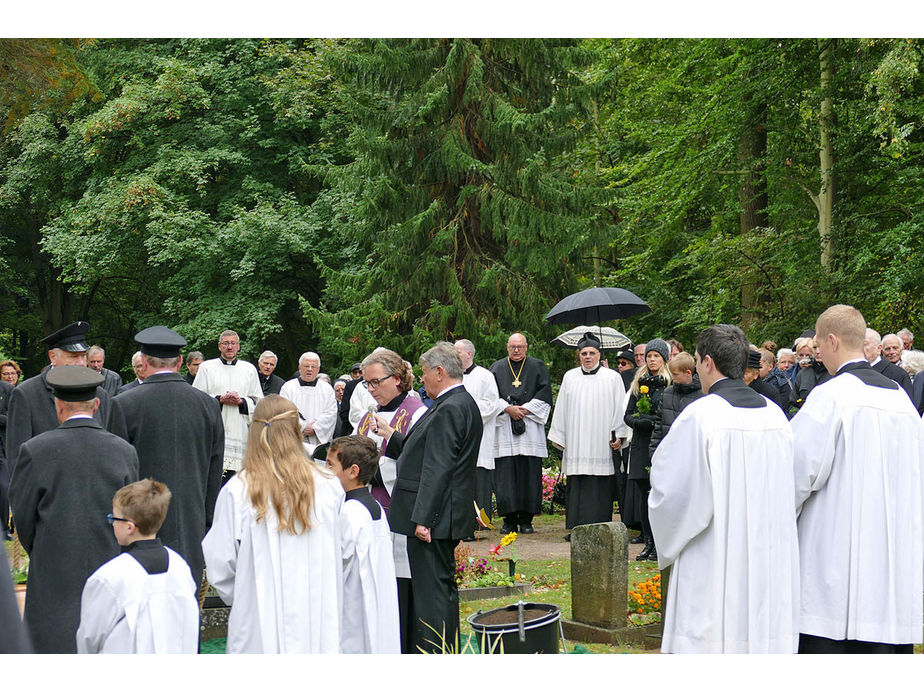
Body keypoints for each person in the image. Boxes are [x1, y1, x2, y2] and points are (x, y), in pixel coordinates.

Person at [648, 324, 799, 653]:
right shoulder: (775, 417)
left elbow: (670, 492)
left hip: (713, 558)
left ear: (706, 362)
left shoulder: (700, 417)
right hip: (768, 559)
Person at [792, 305, 923, 653]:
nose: (817, 354)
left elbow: (795, 474)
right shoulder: (903, 402)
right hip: (892, 563)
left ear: (832, 341)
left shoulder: (831, 397)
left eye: (818, 346)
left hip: (832, 564)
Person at [9, 366, 138, 653]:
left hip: (53, 565)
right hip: (110, 562)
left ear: (58, 406)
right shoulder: (124, 451)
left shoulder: (34, 450)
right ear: (97, 405)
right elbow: (131, 515)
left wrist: (42, 549)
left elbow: (23, 516)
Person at [202, 395, 344, 653]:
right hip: (317, 612)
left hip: (258, 616)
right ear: (295, 431)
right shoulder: (329, 485)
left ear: (254, 430)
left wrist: (250, 593)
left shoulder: (238, 489)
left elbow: (220, 563)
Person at [373, 342, 482, 653]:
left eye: (423, 373)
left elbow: (438, 467)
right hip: (441, 514)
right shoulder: (453, 403)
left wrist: (424, 518)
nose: (421, 380)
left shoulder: (451, 407)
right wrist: (392, 438)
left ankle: (435, 652)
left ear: (439, 372)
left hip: (435, 518)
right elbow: (422, 452)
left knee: (432, 592)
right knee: (435, 589)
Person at [109, 326, 225, 585]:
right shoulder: (207, 406)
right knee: (185, 607)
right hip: (191, 522)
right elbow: (214, 469)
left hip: (138, 527)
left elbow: (116, 472)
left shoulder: (124, 404)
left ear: (144, 362)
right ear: (181, 362)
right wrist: (206, 520)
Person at [354, 348, 426, 652]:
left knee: (400, 584)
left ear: (397, 379)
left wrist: (389, 447)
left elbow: (422, 462)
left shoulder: (416, 411)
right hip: (370, 508)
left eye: (375, 383)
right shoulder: (369, 414)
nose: (371, 390)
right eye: (367, 384)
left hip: (400, 510)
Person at [75, 479, 199, 654]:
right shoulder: (180, 567)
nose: (112, 523)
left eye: (113, 518)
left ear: (129, 527)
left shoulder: (108, 577)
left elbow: (89, 640)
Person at [548, 333, 628, 537]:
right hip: (576, 440)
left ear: (600, 355)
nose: (588, 357)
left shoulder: (613, 377)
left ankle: (600, 527)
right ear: (579, 355)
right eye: (584, 353)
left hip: (601, 440)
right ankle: (577, 529)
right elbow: (562, 409)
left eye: (592, 353)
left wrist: (619, 434)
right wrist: (561, 437)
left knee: (600, 485)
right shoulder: (570, 376)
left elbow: (620, 408)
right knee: (578, 484)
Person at [327, 435, 400, 654]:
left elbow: (337, 564)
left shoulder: (350, 512)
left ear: (353, 471)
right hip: (378, 607)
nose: (325, 470)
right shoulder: (374, 506)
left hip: (354, 609)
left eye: (331, 465)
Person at [5, 321, 113, 469]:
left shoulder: (100, 395)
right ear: (52, 356)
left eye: (83, 356)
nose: (81, 363)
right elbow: (17, 459)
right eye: (73, 356)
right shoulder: (26, 395)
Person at [489, 333, 552, 534]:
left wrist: (523, 410)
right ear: (507, 347)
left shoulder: (537, 366)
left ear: (526, 347)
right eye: (513, 346)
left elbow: (545, 394)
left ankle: (526, 520)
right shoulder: (497, 368)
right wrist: (508, 409)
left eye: (520, 346)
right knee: (505, 474)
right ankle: (508, 520)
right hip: (505, 426)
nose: (516, 350)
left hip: (530, 427)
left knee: (528, 473)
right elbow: (490, 396)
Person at [623, 338, 672, 561]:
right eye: (649, 356)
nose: (652, 360)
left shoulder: (668, 384)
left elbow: (666, 415)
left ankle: (660, 542)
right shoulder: (638, 383)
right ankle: (648, 542)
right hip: (642, 442)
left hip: (661, 442)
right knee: (644, 494)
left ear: (664, 359)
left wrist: (653, 421)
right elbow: (628, 415)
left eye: (656, 356)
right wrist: (643, 422)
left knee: (659, 493)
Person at [192, 329, 262, 483]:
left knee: (239, 481)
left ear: (238, 346)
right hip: (215, 428)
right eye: (226, 343)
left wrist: (242, 402)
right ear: (219, 346)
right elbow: (197, 400)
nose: (229, 347)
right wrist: (219, 399)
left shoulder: (249, 369)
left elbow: (259, 402)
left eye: (233, 343)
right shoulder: (207, 368)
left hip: (241, 431)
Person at [455, 339, 500, 535]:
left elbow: (491, 404)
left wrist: (465, 414)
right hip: (456, 435)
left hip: (479, 434)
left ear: (469, 354)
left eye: (457, 352)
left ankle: (481, 521)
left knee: (479, 476)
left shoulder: (485, 376)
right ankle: (462, 521)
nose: (454, 356)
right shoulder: (451, 376)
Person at [279, 352, 338, 456]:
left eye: (313, 367)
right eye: (306, 366)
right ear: (299, 368)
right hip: (294, 441)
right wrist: (302, 427)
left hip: (318, 441)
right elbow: (284, 411)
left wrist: (315, 428)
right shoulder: (288, 387)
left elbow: (331, 413)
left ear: (318, 370)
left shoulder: (327, 389)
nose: (309, 369)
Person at [648, 351, 704, 454]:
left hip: (692, 453)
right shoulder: (667, 393)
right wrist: (653, 453)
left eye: (675, 374)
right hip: (668, 452)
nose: (672, 378)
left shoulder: (703, 395)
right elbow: (658, 427)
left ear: (688, 373)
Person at [864, 328, 913, 400]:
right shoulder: (856, 369)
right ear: (882, 351)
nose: (891, 352)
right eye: (887, 349)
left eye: (895, 348)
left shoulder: (901, 374)